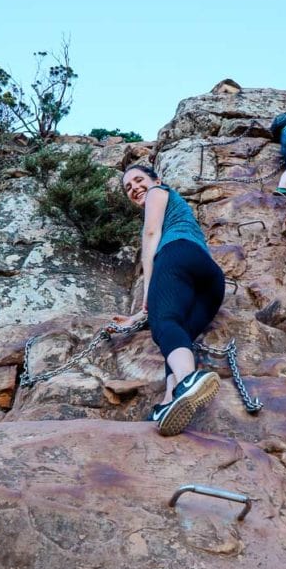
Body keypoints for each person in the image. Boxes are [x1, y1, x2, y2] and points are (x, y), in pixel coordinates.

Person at [112, 164, 225, 436]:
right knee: (177, 335)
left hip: (176, 255)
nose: (135, 188)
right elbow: (171, 300)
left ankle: (188, 381)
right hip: (210, 281)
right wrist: (138, 317)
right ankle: (170, 400)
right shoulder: (179, 210)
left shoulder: (157, 192)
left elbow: (151, 234)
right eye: (128, 187)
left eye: (139, 180)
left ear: (156, 179)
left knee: (164, 325)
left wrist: (149, 288)